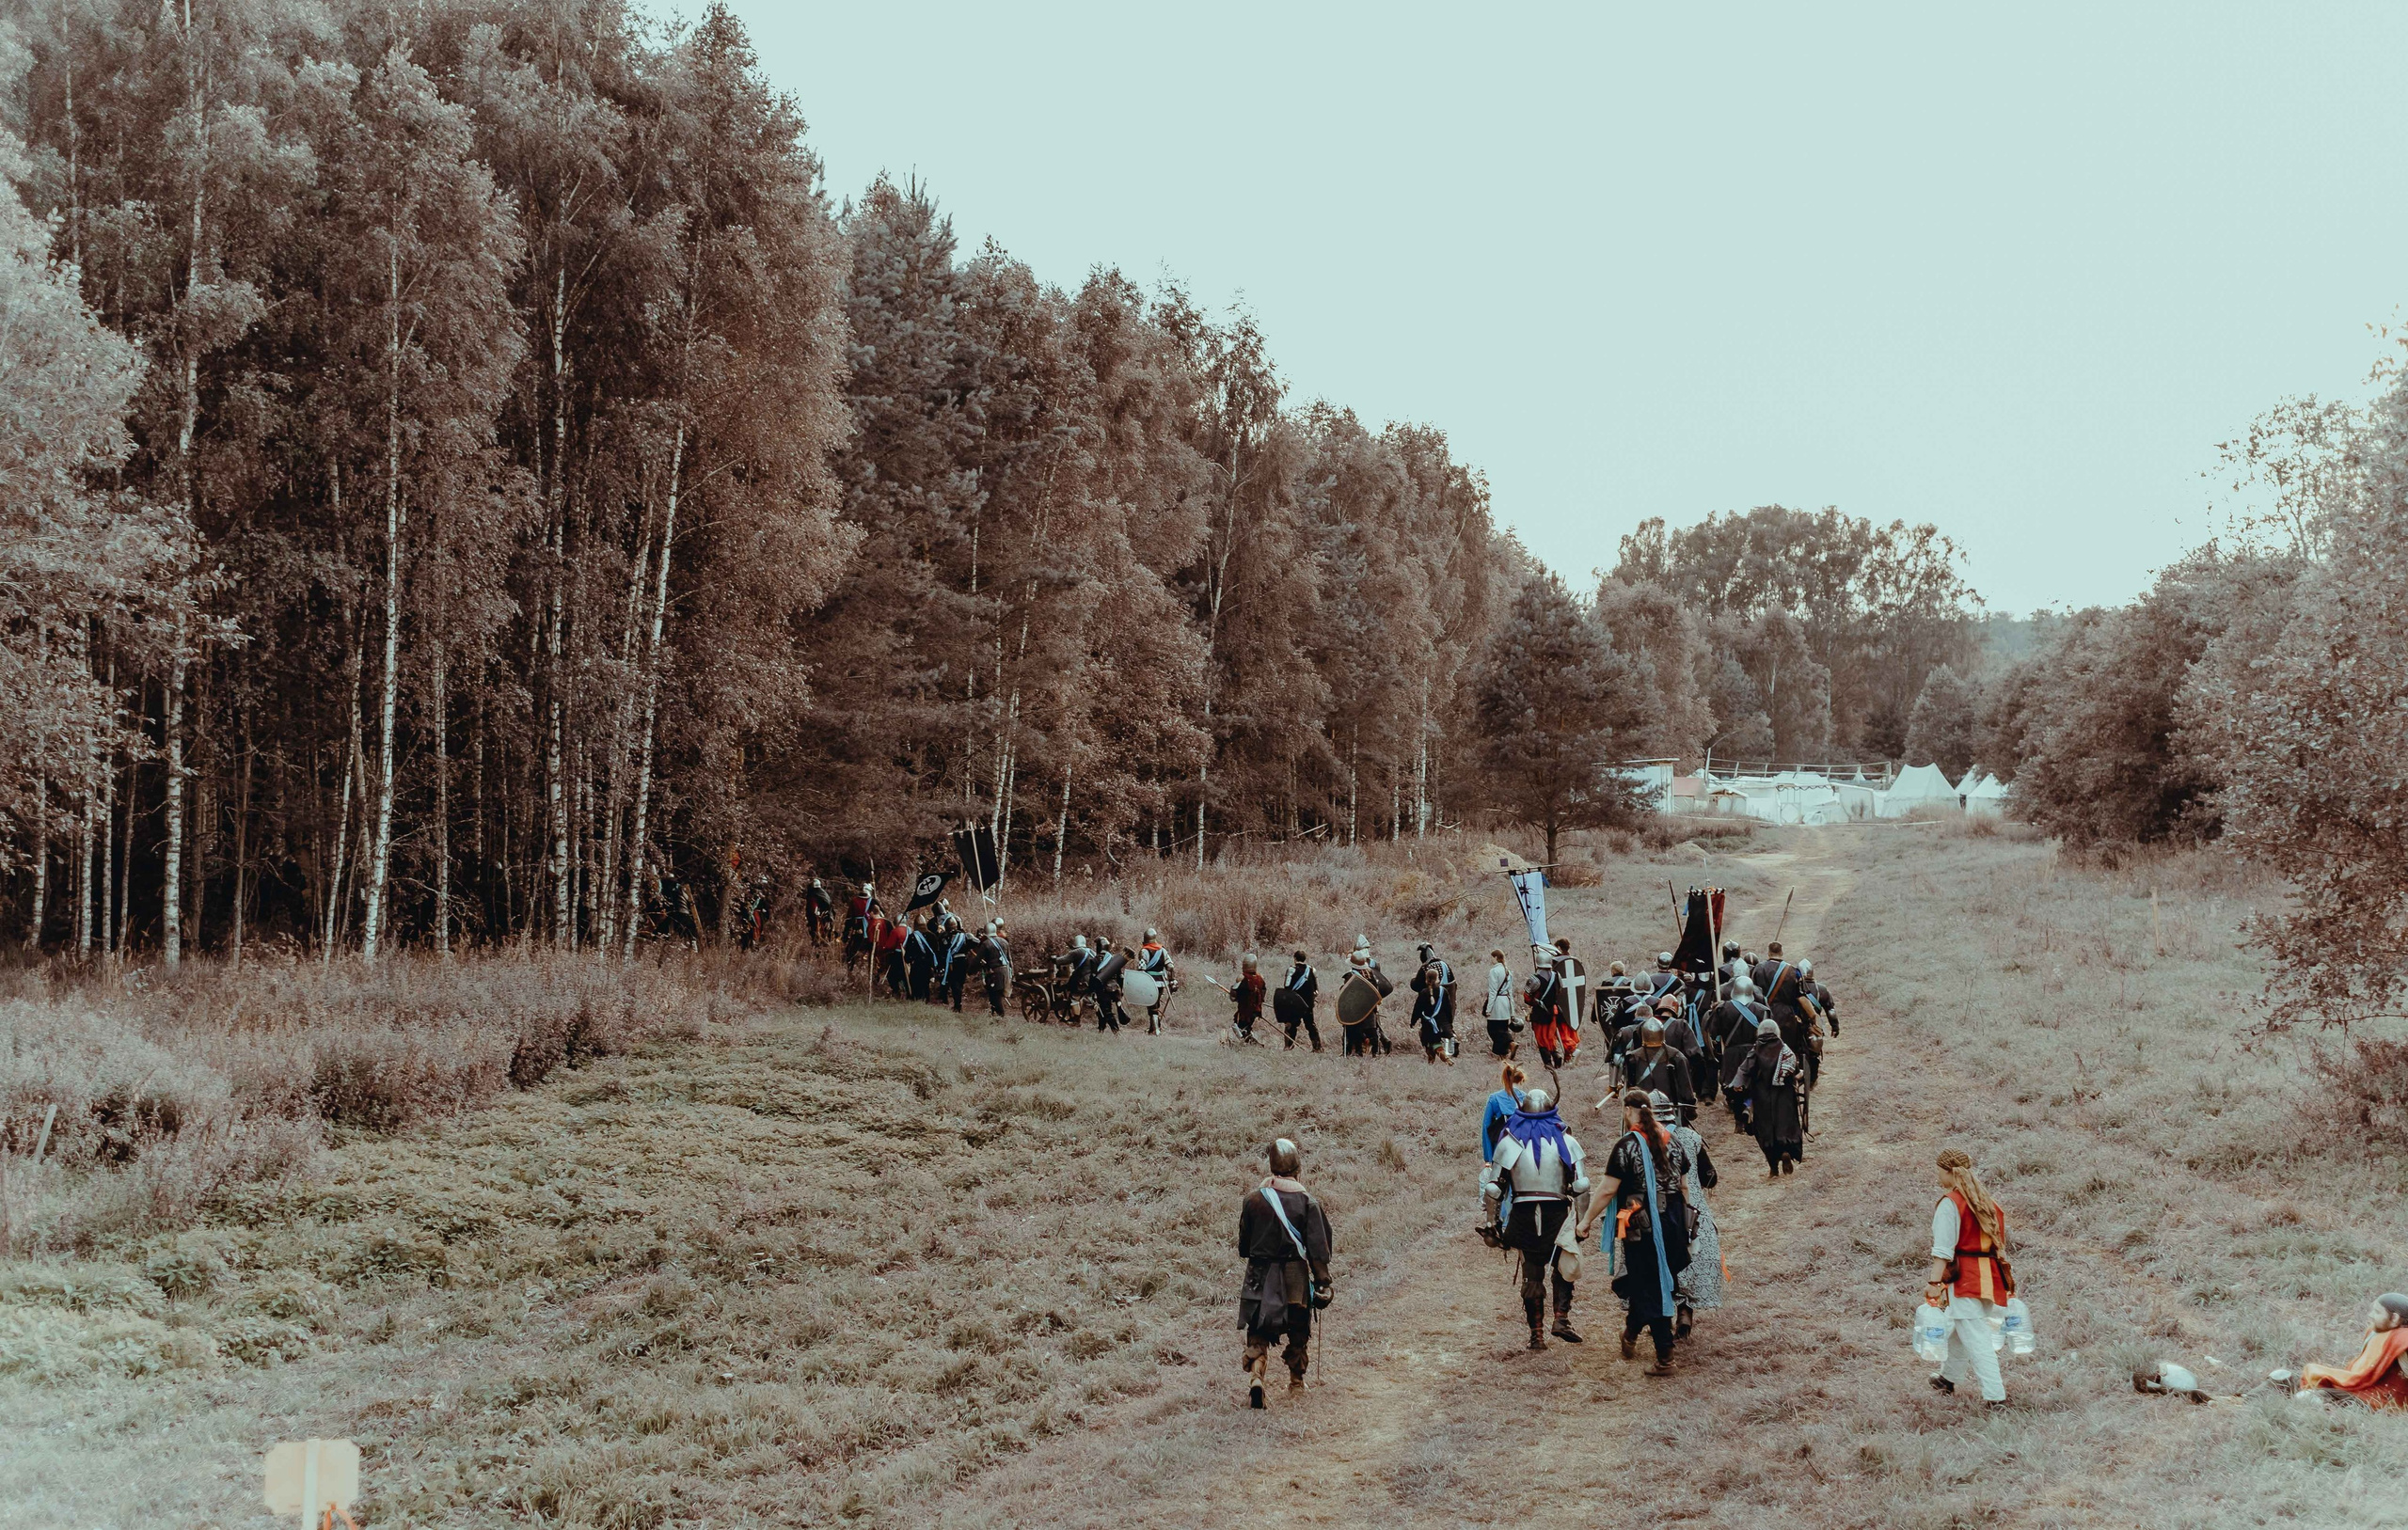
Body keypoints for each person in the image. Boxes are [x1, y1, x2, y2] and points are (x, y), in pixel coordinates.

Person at [1578, 1090, 1691, 1376]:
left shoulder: (1626, 1146)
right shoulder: (1673, 1141)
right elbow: (1684, 1186)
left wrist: (1585, 1220)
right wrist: (1685, 1224)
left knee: (1652, 1287)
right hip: (1675, 1223)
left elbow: (1607, 1190)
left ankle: (1665, 1357)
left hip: (1644, 1226)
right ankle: (1630, 1333)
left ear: (1628, 1111)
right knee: (1648, 1282)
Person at [1481, 1086, 1590, 1350]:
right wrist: (1581, 1223)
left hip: (1524, 1213)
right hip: (1556, 1212)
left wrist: (1492, 1224)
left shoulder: (1510, 1141)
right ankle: (1561, 1319)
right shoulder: (1565, 1139)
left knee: (1532, 1274)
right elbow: (1581, 1185)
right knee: (1563, 1265)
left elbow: (1494, 1189)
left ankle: (1537, 1336)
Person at [1238, 1138, 1334, 1408]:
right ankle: (1296, 1382)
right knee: (1298, 1328)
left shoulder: (1253, 1200)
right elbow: (1318, 1248)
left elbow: (1244, 1247)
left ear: (1272, 1168)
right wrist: (1323, 1282)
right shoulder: (1307, 1202)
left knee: (1257, 1328)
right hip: (1294, 1276)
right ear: (1297, 1169)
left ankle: (1257, 1377)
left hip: (1259, 1274)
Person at [1925, 1148, 2014, 1408]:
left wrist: (1934, 1283)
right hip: (1990, 1277)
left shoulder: (1950, 1203)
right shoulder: (1988, 1202)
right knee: (1959, 1326)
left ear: (1949, 1172)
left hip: (1966, 1278)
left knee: (1976, 1338)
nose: (1938, 1177)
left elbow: (1943, 1250)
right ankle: (1947, 1379)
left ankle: (1996, 1397)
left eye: (1940, 1171)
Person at [1650, 1090, 1721, 1336]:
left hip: (1656, 1208)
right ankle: (1685, 1312)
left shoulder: (1639, 1140)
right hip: (1691, 1209)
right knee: (1691, 1255)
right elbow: (1710, 1176)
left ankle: (1661, 1315)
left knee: (1657, 1260)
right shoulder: (1691, 1137)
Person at [2298, 1294, 2408, 1410]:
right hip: (2366, 1389)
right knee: (2310, 1379)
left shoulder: (2402, 1339)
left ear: (2394, 1318)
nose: (2371, 1315)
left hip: (2381, 1400)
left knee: (2306, 1397)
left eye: (2377, 1312)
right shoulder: (2383, 1333)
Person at [1733, 1018, 1805, 1175]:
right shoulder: (1785, 1049)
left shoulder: (1756, 1049)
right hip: (1785, 1096)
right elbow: (1795, 1072)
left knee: (1765, 1130)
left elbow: (1744, 1069)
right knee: (1787, 1126)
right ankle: (1786, 1151)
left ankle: (1773, 1167)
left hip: (1762, 1097)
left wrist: (1738, 1085)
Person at [1622, 1019, 1697, 1121]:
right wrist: (1691, 1107)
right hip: (1670, 1112)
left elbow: (1630, 1088)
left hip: (1643, 1112)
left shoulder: (1633, 1057)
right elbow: (1685, 1086)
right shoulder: (1676, 1056)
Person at [1409, 941, 1458, 1065]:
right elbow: (1453, 984)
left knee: (1428, 1037)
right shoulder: (1445, 965)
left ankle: (1434, 1056)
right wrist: (1450, 1020)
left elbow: (1416, 987)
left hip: (1430, 1014)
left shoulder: (1425, 969)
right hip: (1445, 1010)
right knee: (1444, 1031)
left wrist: (1413, 1021)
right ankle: (1451, 1039)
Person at [1274, 950, 1323, 1050]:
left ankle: (1288, 1046)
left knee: (1291, 1025)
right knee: (1310, 1025)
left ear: (1295, 958)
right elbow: (1316, 990)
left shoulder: (1291, 970)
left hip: (1294, 1004)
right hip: (1308, 1004)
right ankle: (1317, 1047)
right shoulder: (1312, 970)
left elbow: (1287, 987)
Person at [1481, 1062, 1529, 1160]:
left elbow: (1486, 1127)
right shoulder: (1527, 1098)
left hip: (1501, 1148)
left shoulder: (1494, 1098)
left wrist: (1488, 1159)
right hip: (1524, 1147)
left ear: (1505, 1079)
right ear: (1521, 1079)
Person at [1136, 927, 1176, 1035]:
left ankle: (1156, 1030)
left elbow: (1141, 968)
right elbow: (1170, 967)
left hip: (1149, 982)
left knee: (1152, 1006)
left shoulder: (1144, 951)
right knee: (1155, 1004)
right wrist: (1172, 980)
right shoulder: (1162, 950)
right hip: (1161, 983)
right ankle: (1152, 1028)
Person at [1481, 949, 1518, 1058]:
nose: (1491, 960)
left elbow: (1493, 992)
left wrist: (1488, 1009)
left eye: (1492, 957)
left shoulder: (1494, 971)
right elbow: (1510, 992)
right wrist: (1512, 1011)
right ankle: (1503, 1054)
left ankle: (1511, 1043)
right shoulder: (1508, 971)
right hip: (1506, 1001)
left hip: (1497, 1003)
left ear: (1496, 958)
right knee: (1503, 1028)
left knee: (1493, 1030)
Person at [1091, 942, 1131, 1033]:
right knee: (1102, 1009)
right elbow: (1120, 977)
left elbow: (1093, 977)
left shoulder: (1094, 960)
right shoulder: (1114, 960)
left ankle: (1116, 1031)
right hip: (1115, 988)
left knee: (1106, 1011)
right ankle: (1101, 1029)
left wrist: (1092, 990)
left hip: (1102, 989)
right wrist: (1121, 990)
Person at [1228, 953, 1267, 1044]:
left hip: (1245, 1010)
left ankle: (1248, 1043)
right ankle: (1250, 1041)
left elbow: (1234, 994)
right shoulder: (1260, 978)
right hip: (1256, 1010)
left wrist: (1236, 997)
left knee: (1238, 1026)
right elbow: (1263, 993)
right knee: (1247, 1026)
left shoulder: (1242, 977)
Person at [939, 916, 974, 1013]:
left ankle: (958, 1005)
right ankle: (958, 1004)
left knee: (955, 983)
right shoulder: (964, 936)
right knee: (959, 983)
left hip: (952, 962)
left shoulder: (944, 936)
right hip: (962, 961)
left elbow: (942, 950)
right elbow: (975, 943)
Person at [978, 921, 1013, 1017]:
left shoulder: (986, 944)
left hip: (995, 972)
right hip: (1006, 970)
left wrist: (970, 970)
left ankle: (1000, 1018)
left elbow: (977, 959)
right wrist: (1011, 973)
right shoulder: (1004, 941)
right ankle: (994, 1016)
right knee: (994, 995)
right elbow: (1009, 959)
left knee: (995, 996)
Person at [902, 917, 938, 1002]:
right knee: (926, 984)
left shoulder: (912, 937)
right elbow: (936, 951)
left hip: (917, 964)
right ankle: (926, 1001)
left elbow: (908, 955)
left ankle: (917, 1001)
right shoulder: (932, 936)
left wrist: (909, 960)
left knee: (916, 984)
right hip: (928, 965)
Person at [802, 876, 833, 946]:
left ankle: (817, 943)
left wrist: (813, 915)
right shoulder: (824, 894)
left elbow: (814, 908)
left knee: (816, 932)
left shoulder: (813, 895)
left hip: (818, 917)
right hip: (828, 916)